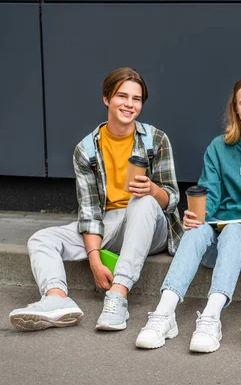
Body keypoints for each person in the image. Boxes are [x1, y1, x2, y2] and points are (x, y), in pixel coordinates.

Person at [135, 73, 241, 353]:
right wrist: (197, 215)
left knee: (236, 229)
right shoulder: (218, 146)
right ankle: (164, 314)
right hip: (215, 235)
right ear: (235, 107)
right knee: (197, 228)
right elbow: (208, 194)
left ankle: (211, 318)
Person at [9, 67, 183, 332]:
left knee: (142, 202)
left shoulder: (155, 140)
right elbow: (90, 212)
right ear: (107, 98)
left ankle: (118, 294)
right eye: (122, 96)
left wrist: (151, 190)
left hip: (152, 225)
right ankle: (56, 298)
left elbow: (171, 198)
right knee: (41, 239)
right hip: (110, 224)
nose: (129, 104)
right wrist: (94, 259)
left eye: (136, 99)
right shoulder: (87, 149)